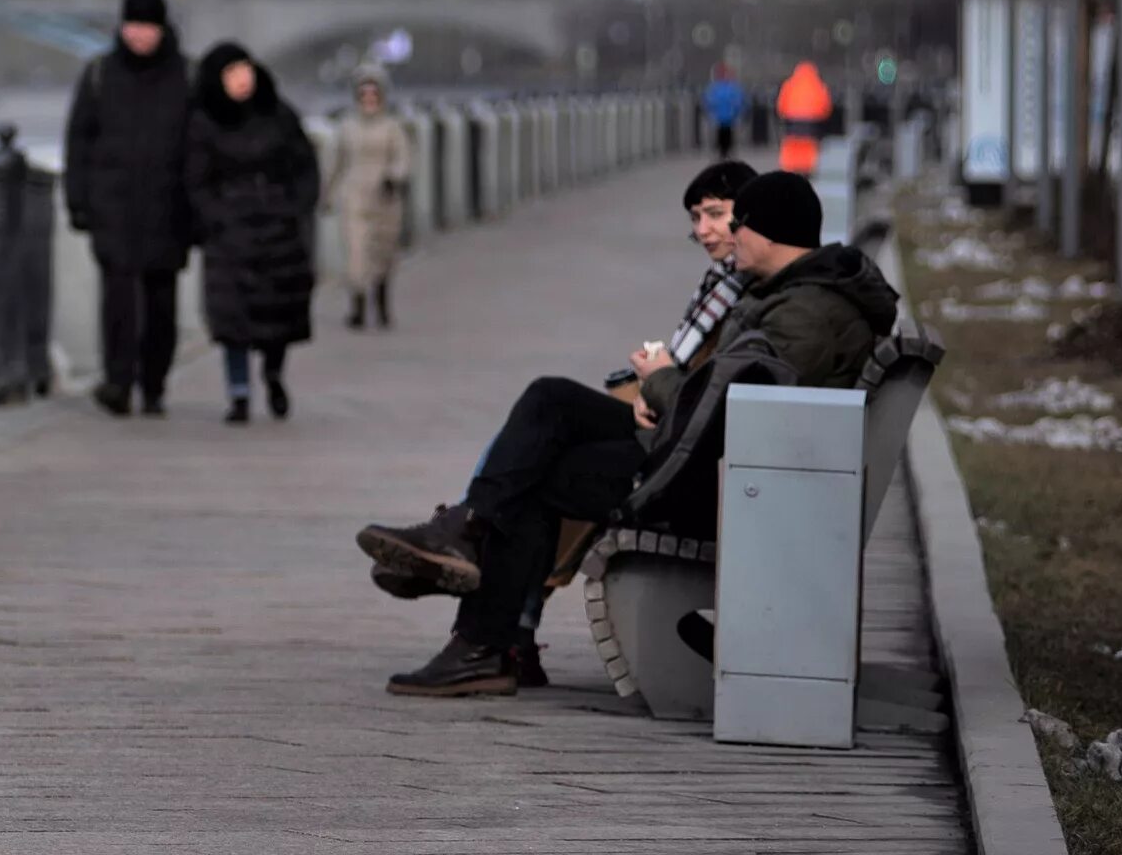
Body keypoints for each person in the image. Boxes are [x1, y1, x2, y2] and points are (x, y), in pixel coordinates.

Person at [362, 169, 896, 698]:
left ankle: (483, 631)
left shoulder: (804, 311)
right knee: (551, 401)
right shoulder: (796, 294)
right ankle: (471, 546)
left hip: (722, 483)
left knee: (542, 469)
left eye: (741, 224)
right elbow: (731, 403)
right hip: (723, 462)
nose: (732, 237)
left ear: (770, 232)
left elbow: (734, 412)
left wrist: (661, 380)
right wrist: (667, 389)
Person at [63, 0, 194, 415]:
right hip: (112, 207)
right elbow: (78, 141)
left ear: (161, 28)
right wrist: (77, 201)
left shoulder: (187, 76)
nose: (139, 35)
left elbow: (202, 146)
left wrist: (200, 206)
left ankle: (154, 383)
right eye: (133, 25)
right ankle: (118, 382)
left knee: (161, 303)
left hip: (169, 207)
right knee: (117, 300)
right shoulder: (100, 73)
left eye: (147, 26)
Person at [183, 41, 319, 424]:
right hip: (230, 235)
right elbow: (196, 180)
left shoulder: (279, 114)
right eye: (231, 74)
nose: (241, 80)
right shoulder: (204, 122)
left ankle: (274, 374)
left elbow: (304, 165)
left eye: (245, 70)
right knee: (233, 319)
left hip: (279, 229)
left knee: (279, 315)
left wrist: (295, 207)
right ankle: (239, 392)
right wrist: (216, 218)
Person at [324, 66, 413, 331]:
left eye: (374, 93)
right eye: (364, 94)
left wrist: (394, 177)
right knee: (357, 253)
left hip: (385, 199)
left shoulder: (392, 127)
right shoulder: (348, 128)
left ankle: (382, 301)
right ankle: (358, 306)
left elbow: (403, 158)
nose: (369, 99)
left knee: (384, 253)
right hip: (355, 196)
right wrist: (325, 194)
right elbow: (335, 163)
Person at [703, 72, 747, 160]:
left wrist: (711, 112)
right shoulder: (730, 88)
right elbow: (739, 101)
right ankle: (725, 152)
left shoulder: (716, 88)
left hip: (722, 116)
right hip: (727, 116)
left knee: (723, 134)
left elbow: (709, 101)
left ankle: (723, 152)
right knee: (726, 134)